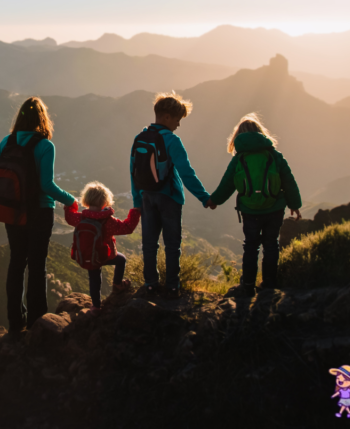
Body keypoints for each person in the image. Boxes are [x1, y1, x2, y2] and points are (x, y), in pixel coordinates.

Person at [0, 97, 77, 338]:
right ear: (43, 119)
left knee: (16, 262)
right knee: (37, 265)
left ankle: (14, 321)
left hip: (11, 212)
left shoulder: (6, 142)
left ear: (20, 117)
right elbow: (46, 184)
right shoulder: (45, 146)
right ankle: (36, 322)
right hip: (39, 212)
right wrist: (70, 199)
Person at [129, 92, 213, 299]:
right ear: (166, 116)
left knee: (149, 243)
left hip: (147, 196)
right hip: (170, 197)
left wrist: (137, 201)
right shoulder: (172, 140)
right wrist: (204, 197)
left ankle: (150, 284)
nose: (178, 124)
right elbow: (186, 173)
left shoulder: (140, 138)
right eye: (177, 119)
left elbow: (133, 171)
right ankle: (172, 287)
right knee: (172, 245)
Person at [208, 113, 301, 297]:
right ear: (260, 133)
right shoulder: (274, 154)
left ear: (238, 136)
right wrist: (294, 204)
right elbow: (288, 180)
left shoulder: (239, 158)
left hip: (250, 210)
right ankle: (269, 285)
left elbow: (227, 183)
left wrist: (214, 201)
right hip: (274, 208)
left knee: (251, 246)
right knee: (271, 245)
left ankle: (248, 286)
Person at [63, 181, 139, 309]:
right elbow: (127, 228)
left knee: (94, 280)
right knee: (121, 260)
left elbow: (69, 217)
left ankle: (96, 308)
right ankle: (117, 285)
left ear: (86, 200)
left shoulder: (81, 218)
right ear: (105, 201)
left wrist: (71, 205)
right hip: (105, 256)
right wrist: (136, 212)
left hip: (89, 256)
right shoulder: (107, 221)